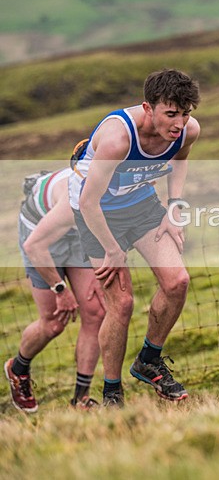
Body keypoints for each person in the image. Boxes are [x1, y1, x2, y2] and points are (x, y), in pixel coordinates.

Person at [69, 68, 201, 406]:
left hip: (140, 203)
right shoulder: (118, 139)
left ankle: (148, 360)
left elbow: (181, 160)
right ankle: (112, 391)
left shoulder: (187, 132)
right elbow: (87, 202)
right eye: (171, 113)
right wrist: (113, 250)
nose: (178, 123)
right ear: (148, 108)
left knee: (178, 282)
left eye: (185, 114)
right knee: (122, 304)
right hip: (95, 213)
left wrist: (174, 208)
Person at [5, 169, 106, 412]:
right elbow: (34, 246)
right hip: (40, 235)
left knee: (95, 312)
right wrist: (60, 290)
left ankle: (81, 399)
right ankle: (18, 369)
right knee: (53, 323)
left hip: (77, 233)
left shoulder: (119, 192)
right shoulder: (75, 200)